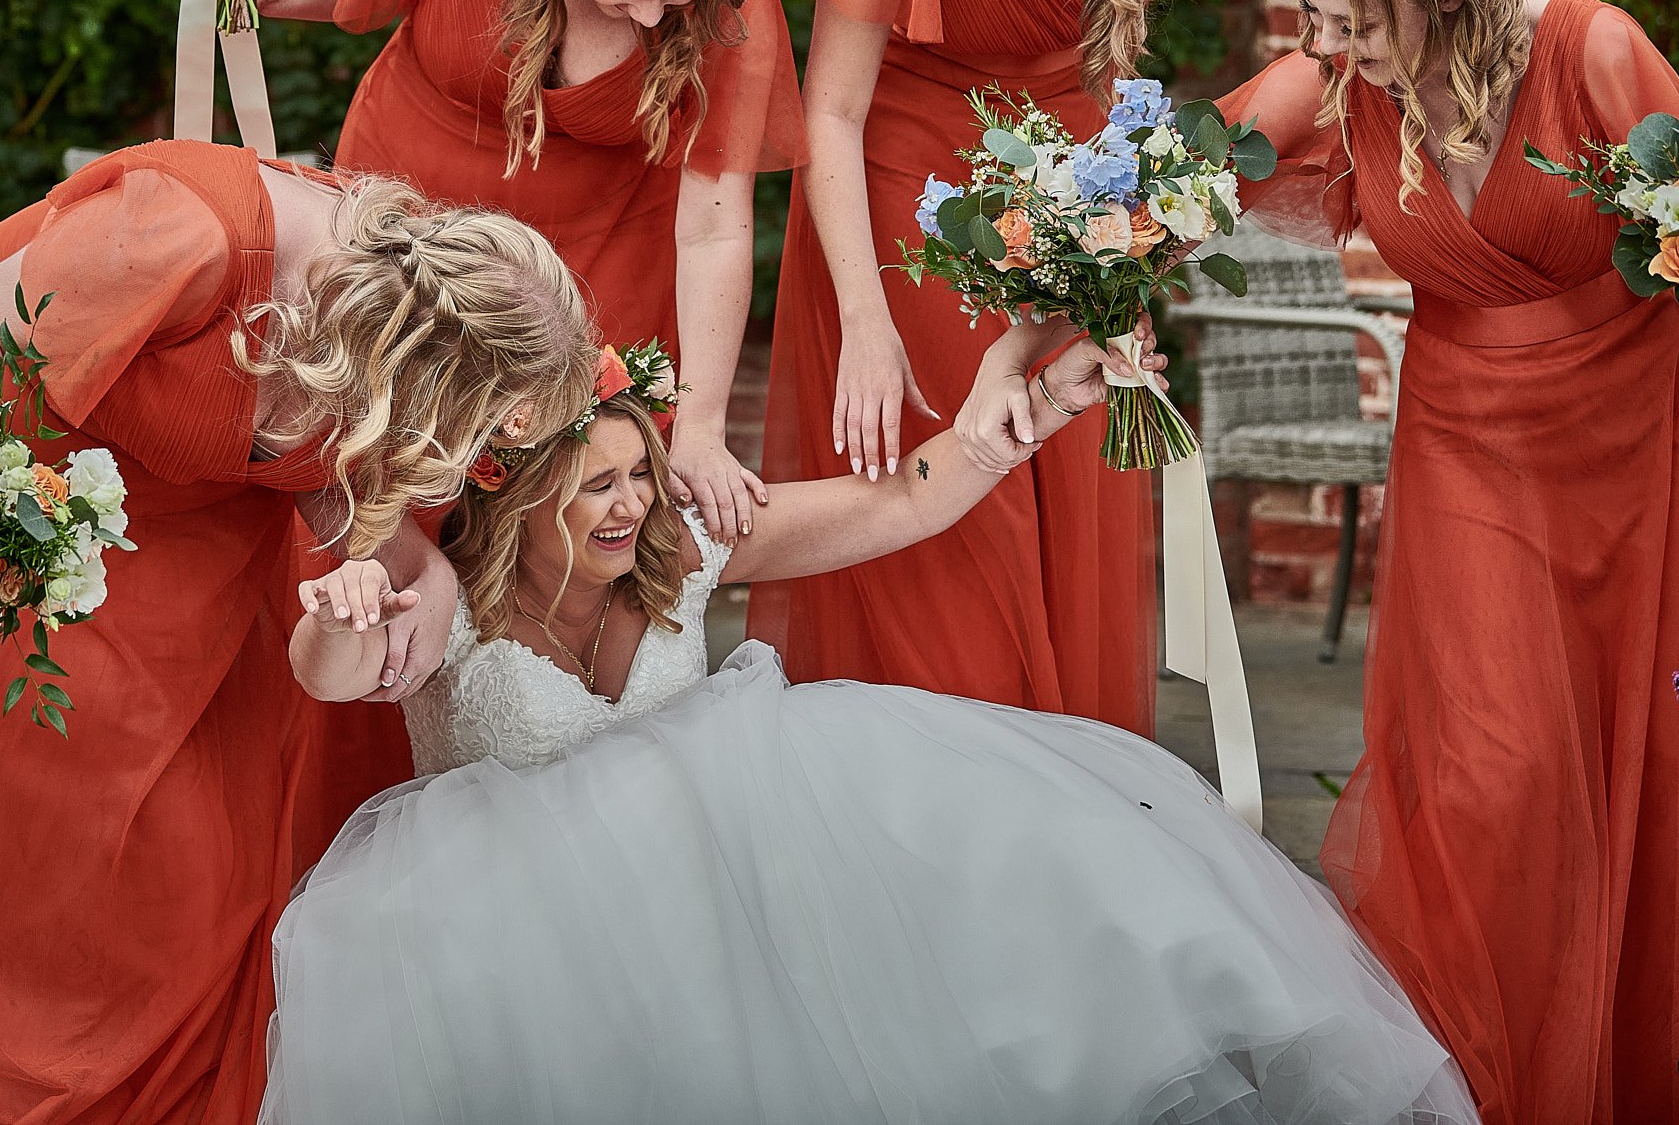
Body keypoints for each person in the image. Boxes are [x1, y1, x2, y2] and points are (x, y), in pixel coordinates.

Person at [264, 335, 1480, 1125]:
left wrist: (1028, 408)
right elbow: (332, 675)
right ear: (519, 488)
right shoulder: (443, 602)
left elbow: (900, 499)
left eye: (639, 471)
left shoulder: (681, 549)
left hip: (725, 897)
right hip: (522, 937)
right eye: (599, 484)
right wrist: (340, 604)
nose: (633, 502)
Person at [1164, 0, 1679, 1124]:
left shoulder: (1590, 50)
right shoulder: (1336, 81)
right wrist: (1098, 279)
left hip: (1626, 450)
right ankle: (1482, 1078)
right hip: (1460, 446)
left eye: (1354, 20)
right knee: (1485, 775)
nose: (1330, 47)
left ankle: (1617, 1067)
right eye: (1314, 16)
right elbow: (1172, 186)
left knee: (1630, 758)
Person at [0, 141, 596, 1125]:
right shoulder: (184, 239)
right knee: (38, 849)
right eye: (477, 429)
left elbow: (321, 468)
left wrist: (421, 572)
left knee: (197, 863)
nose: (468, 457)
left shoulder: (372, 327)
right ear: (421, 367)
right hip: (11, 470)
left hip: (190, 543)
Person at [752, 0, 1301, 727]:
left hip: (1078, 197)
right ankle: (952, 782)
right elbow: (831, 113)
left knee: (1071, 471)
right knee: (965, 516)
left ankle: (1062, 779)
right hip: (916, 214)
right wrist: (863, 321)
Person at [222, 0, 802, 540]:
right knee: (382, 476)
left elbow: (715, 226)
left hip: (601, 252)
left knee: (564, 507)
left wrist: (703, 426)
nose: (651, 16)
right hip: (414, 228)